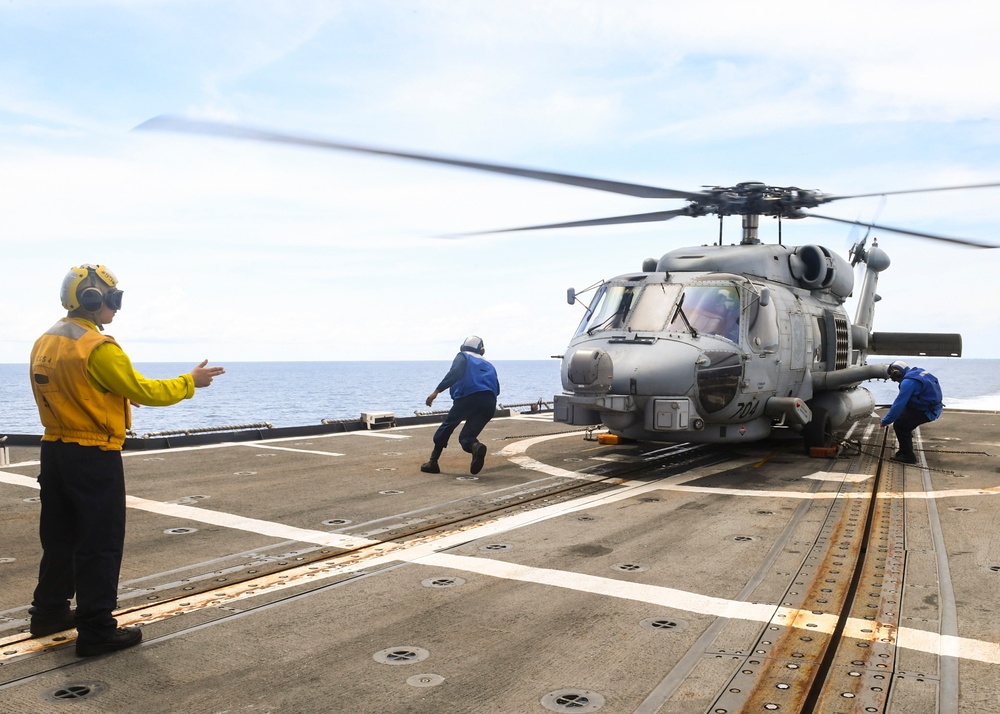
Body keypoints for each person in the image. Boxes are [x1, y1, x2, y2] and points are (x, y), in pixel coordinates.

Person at [28, 264, 226, 657]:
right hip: (92, 455)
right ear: (91, 299)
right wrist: (191, 382)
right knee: (99, 542)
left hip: (55, 451)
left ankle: (48, 612)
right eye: (113, 300)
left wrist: (115, 395)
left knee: (60, 538)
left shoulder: (46, 340)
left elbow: (77, 388)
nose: (116, 308)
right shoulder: (97, 346)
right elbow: (144, 389)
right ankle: (97, 630)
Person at [421, 335, 500, 475]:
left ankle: (433, 462)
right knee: (466, 438)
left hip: (468, 398)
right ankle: (476, 447)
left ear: (463, 346)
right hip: (489, 403)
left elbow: (454, 375)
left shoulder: (463, 356)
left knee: (447, 426)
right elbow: (497, 389)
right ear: (481, 350)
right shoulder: (489, 364)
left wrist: (436, 392)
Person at [880, 361, 943, 464]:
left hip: (927, 411)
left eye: (894, 378)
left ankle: (908, 456)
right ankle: (904, 449)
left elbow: (899, 404)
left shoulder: (908, 382)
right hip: (929, 407)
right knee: (903, 420)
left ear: (896, 373)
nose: (896, 381)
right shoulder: (917, 372)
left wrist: (886, 421)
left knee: (900, 426)